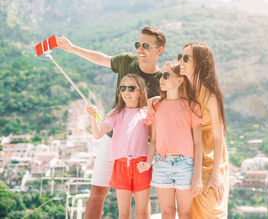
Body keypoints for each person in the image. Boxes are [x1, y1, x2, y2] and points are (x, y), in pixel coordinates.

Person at [56, 26, 166, 219]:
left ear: (160, 49)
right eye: (138, 44)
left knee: (142, 199)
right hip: (111, 137)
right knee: (98, 191)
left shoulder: (162, 81)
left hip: (141, 147)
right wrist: (72, 48)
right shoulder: (126, 61)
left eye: (146, 46)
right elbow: (101, 59)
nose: (140, 49)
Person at [137, 62, 203, 219]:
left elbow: (198, 143)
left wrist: (197, 176)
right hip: (161, 164)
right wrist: (148, 162)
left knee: (185, 213)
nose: (162, 79)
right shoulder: (156, 107)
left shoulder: (192, 107)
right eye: (161, 75)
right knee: (167, 213)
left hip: (186, 165)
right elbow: (153, 141)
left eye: (166, 75)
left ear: (180, 80)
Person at [86, 74, 151, 219]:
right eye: (123, 88)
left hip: (142, 165)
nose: (126, 92)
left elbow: (155, 141)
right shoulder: (115, 113)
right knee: (124, 214)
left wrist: (149, 162)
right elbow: (97, 135)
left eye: (131, 88)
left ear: (140, 91)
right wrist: (93, 117)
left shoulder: (147, 114)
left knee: (142, 213)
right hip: (121, 167)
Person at [178, 42, 229, 218]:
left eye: (186, 58)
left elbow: (218, 137)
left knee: (211, 208)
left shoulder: (210, 95)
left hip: (211, 156)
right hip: (189, 156)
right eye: (180, 57)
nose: (181, 62)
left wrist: (216, 174)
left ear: (199, 63)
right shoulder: (183, 89)